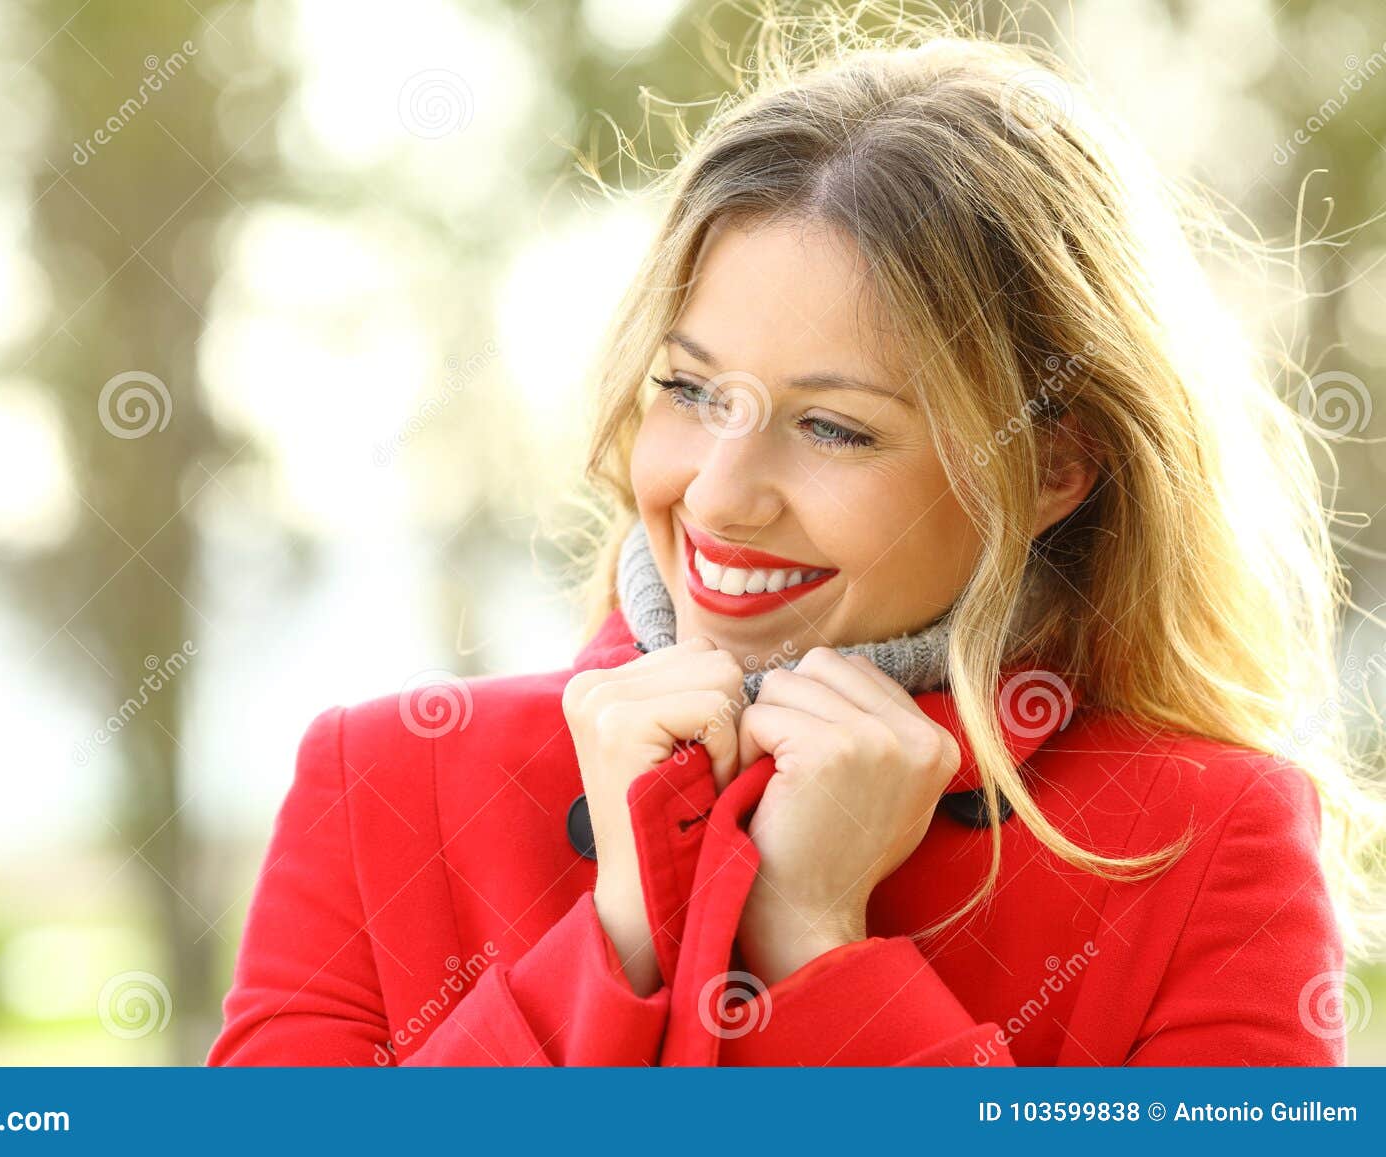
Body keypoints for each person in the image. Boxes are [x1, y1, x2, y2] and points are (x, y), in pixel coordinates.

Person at [206, 10, 1386, 1067]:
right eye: (689, 390)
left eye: (832, 426)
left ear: (1052, 470)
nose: (720, 496)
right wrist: (620, 932)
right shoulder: (388, 782)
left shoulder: (1200, 841)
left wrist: (817, 945)